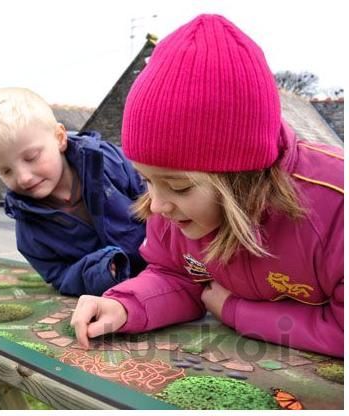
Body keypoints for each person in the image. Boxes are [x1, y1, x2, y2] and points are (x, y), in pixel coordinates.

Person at [71, 14, 343, 358]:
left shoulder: (335, 204)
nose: (156, 206)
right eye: (147, 180)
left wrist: (234, 310)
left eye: (180, 187)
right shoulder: (172, 208)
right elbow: (176, 275)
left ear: (241, 177)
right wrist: (126, 306)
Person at [0, 87, 148, 296]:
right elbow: (60, 277)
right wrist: (101, 273)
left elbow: (160, 203)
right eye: (6, 171)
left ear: (59, 138)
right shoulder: (30, 232)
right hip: (117, 300)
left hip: (172, 274)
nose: (23, 177)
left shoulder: (111, 163)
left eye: (31, 157)